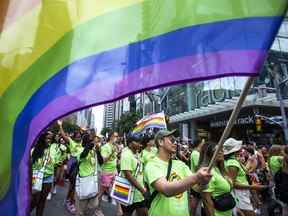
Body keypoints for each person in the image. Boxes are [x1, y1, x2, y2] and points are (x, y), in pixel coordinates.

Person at [144, 129, 211, 216]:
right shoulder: (152, 165)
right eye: (172, 140)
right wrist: (196, 177)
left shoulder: (180, 164)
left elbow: (197, 188)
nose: (175, 143)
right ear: (160, 142)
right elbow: (166, 190)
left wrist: (204, 181)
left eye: (176, 140)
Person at [223, 138, 267, 216]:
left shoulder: (233, 160)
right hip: (239, 194)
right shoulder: (232, 163)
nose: (241, 148)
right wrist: (252, 187)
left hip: (242, 193)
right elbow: (232, 183)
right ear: (235, 149)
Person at [201, 141, 235, 216]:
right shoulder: (209, 172)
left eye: (221, 150)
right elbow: (207, 200)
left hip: (227, 211)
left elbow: (227, 192)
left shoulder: (220, 169)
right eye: (216, 151)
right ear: (209, 154)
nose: (220, 152)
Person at [58, 120, 83, 214]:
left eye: (80, 136)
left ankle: (68, 201)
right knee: (73, 186)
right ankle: (70, 202)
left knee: (73, 186)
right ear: (74, 137)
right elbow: (64, 136)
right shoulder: (71, 142)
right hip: (73, 166)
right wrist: (60, 126)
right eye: (77, 136)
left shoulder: (82, 143)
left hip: (80, 167)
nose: (79, 138)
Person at [30, 132, 58, 216]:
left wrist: (54, 160)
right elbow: (30, 164)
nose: (48, 140)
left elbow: (55, 161)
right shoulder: (34, 150)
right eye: (47, 138)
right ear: (42, 139)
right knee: (35, 200)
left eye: (50, 139)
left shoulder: (53, 149)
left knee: (42, 200)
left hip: (48, 177)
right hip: (36, 177)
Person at [75, 133, 103, 216]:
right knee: (80, 210)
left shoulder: (93, 151)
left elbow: (101, 162)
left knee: (94, 205)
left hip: (93, 182)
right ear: (85, 142)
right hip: (83, 182)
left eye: (92, 141)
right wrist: (89, 146)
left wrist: (97, 151)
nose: (92, 142)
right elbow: (83, 155)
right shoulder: (79, 149)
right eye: (90, 141)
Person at [120, 135, 148, 216]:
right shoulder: (126, 155)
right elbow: (128, 176)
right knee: (127, 214)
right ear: (130, 144)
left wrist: (144, 187)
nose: (140, 144)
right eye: (137, 142)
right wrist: (142, 190)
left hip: (138, 195)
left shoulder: (136, 154)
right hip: (127, 192)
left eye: (140, 142)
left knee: (144, 213)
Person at [98, 131, 122, 216]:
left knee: (117, 190)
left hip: (114, 171)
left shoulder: (115, 146)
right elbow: (103, 160)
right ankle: (97, 209)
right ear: (111, 137)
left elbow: (115, 159)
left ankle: (119, 210)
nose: (117, 138)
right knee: (101, 192)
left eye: (117, 136)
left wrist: (118, 159)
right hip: (106, 172)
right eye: (116, 136)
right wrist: (112, 152)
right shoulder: (105, 147)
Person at [189, 138, 205, 215]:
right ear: (199, 143)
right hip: (197, 183)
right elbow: (198, 166)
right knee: (194, 202)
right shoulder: (196, 153)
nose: (204, 143)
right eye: (203, 142)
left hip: (196, 182)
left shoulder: (197, 153)